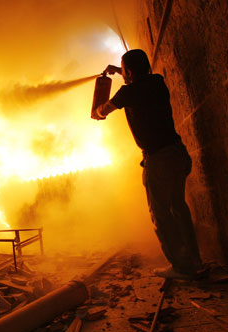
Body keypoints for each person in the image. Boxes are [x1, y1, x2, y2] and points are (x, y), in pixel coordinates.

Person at [92, 49, 204, 280]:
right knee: (178, 207)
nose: (122, 74)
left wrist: (97, 110)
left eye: (124, 71)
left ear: (130, 72)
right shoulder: (157, 83)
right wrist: (117, 69)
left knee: (161, 215)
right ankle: (194, 260)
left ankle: (182, 268)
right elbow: (137, 80)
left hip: (159, 160)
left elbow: (104, 110)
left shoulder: (128, 92)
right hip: (177, 153)